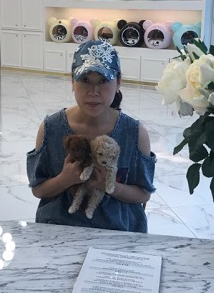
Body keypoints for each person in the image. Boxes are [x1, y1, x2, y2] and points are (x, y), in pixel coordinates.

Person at [26, 40, 156, 233]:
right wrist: (65, 179)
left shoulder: (135, 133)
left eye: (103, 81)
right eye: (85, 80)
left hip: (118, 233)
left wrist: (110, 186)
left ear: (118, 82)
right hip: (60, 231)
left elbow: (143, 193)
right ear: (72, 81)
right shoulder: (51, 128)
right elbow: (38, 189)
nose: (93, 92)